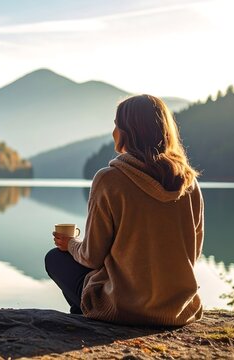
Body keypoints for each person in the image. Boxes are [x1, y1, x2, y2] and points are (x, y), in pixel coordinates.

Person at [44, 94, 204, 326]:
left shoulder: (110, 179)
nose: (113, 132)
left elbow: (92, 257)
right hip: (178, 310)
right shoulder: (188, 182)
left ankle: (85, 320)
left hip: (124, 309)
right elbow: (193, 253)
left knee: (55, 259)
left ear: (128, 131)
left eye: (117, 125)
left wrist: (69, 243)